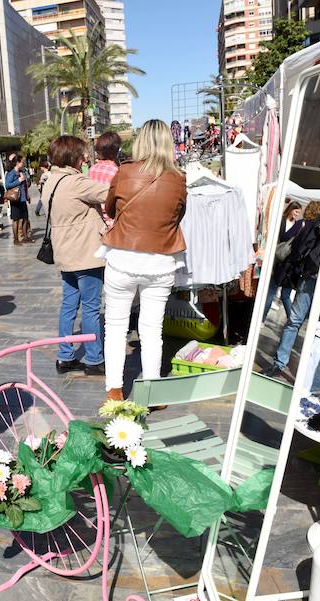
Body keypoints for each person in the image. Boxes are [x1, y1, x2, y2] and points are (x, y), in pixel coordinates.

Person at [101, 120, 187, 402]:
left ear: (140, 141)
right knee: (152, 329)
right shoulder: (179, 178)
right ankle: (153, 392)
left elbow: (109, 208)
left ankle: (115, 391)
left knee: (115, 327)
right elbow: (178, 215)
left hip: (123, 258)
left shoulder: (125, 171)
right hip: (161, 262)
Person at [41, 135, 109, 375]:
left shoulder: (51, 181)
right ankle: (93, 359)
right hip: (85, 253)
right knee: (91, 308)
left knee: (69, 306)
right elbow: (110, 193)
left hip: (65, 254)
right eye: (83, 155)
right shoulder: (77, 182)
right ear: (74, 157)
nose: (86, 159)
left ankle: (65, 356)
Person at [265, 201, 320, 379]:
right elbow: (300, 248)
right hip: (312, 276)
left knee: (317, 326)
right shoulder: (315, 225)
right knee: (296, 321)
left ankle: (306, 370)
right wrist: (318, 230)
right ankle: (280, 363)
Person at [262, 200, 305, 321]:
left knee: (273, 290)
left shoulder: (297, 224)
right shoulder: (281, 220)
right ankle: (263, 317)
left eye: (298, 213)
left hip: (283, 258)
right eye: (296, 211)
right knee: (272, 291)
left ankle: (263, 318)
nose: (297, 214)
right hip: (273, 254)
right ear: (291, 209)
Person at [4, 153, 33, 245]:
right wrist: (18, 181)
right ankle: (16, 239)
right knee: (16, 219)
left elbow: (25, 185)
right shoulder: (11, 173)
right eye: (22, 162)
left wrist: (27, 196)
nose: (23, 163)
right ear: (17, 162)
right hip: (15, 199)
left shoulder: (22, 171)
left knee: (25, 218)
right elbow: (7, 185)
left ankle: (25, 237)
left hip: (23, 198)